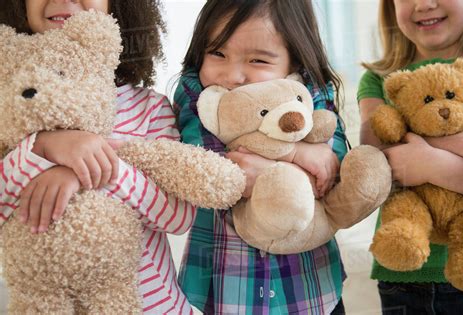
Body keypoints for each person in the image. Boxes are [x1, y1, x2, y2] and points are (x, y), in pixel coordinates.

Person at [0, 1, 194, 313]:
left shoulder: (149, 109)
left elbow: (177, 218)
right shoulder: (11, 109)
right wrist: (41, 148)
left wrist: (91, 168)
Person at [173, 1, 350, 313]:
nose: (232, 75)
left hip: (310, 286)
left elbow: (332, 170)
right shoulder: (198, 97)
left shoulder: (311, 94)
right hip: (222, 289)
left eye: (257, 60)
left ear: (293, 62)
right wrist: (297, 157)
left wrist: (278, 164)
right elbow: (206, 165)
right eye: (217, 53)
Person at [358, 1, 463, 314]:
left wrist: (430, 163)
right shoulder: (380, 79)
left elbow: (407, 159)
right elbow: (379, 165)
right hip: (405, 277)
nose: (423, 4)